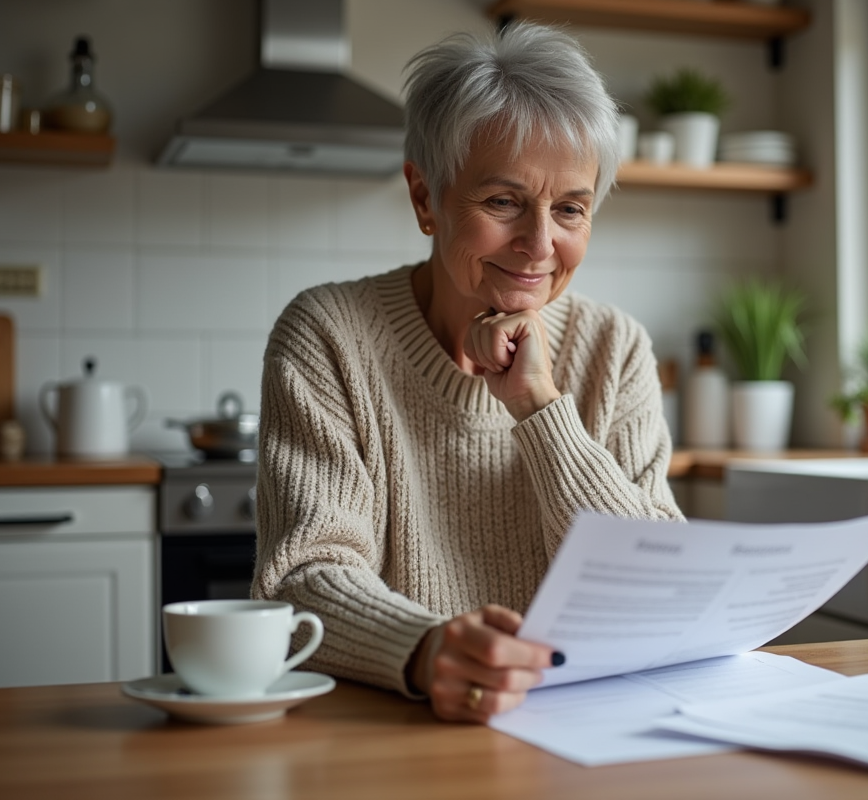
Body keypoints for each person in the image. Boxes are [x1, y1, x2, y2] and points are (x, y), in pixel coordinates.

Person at [252, 21, 684, 724]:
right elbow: (302, 581)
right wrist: (425, 650)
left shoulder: (617, 348)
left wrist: (542, 409)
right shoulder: (329, 335)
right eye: (503, 202)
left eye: (570, 208)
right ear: (426, 199)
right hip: (395, 732)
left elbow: (661, 584)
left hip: (588, 730)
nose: (540, 245)